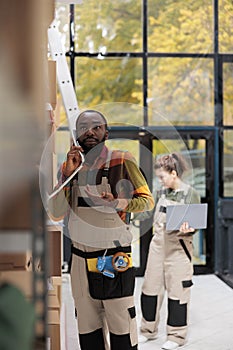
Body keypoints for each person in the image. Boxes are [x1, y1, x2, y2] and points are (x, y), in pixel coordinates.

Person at [48, 109, 154, 350]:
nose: (90, 132)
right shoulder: (69, 167)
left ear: (107, 132)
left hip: (113, 260)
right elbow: (55, 212)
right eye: (84, 127)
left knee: (121, 328)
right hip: (79, 262)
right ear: (76, 134)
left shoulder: (122, 160)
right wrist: (66, 174)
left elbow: (147, 201)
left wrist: (116, 202)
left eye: (97, 126)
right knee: (88, 329)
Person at [139, 153, 200, 350]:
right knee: (150, 290)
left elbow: (196, 222)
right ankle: (147, 331)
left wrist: (190, 228)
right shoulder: (160, 193)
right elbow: (147, 213)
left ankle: (177, 336)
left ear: (173, 173)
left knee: (177, 294)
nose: (160, 180)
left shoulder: (190, 193)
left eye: (162, 177)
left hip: (179, 249)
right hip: (157, 248)